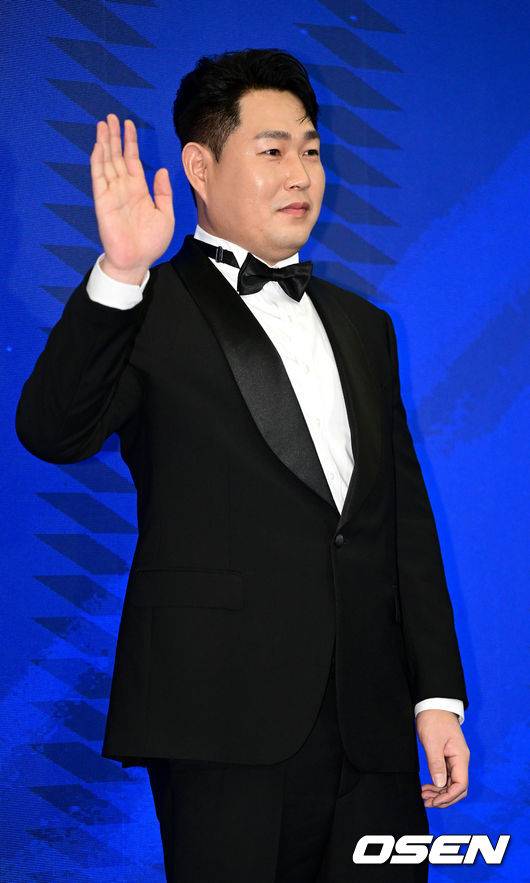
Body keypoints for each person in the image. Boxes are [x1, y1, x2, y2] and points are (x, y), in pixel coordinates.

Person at [15, 49, 470, 882]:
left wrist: (436, 697)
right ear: (200, 166)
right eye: (272, 150)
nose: (301, 173)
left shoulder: (364, 326)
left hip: (370, 728)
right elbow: (53, 431)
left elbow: (402, 522)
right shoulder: (147, 304)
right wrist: (121, 271)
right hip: (221, 719)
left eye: (311, 149)